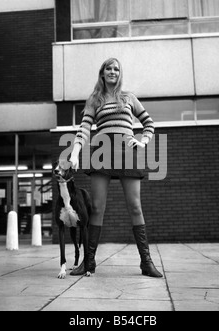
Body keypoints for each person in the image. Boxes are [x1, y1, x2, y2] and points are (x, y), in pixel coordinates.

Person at [69, 58, 162, 278]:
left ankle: (146, 263)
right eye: (109, 68)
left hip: (127, 153)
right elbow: (84, 129)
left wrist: (143, 142)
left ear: (120, 74)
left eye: (116, 69)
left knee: (135, 207)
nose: (113, 72)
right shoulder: (95, 99)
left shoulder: (128, 97)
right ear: (102, 73)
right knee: (98, 208)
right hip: (102, 153)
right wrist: (74, 153)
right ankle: (88, 263)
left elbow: (149, 123)